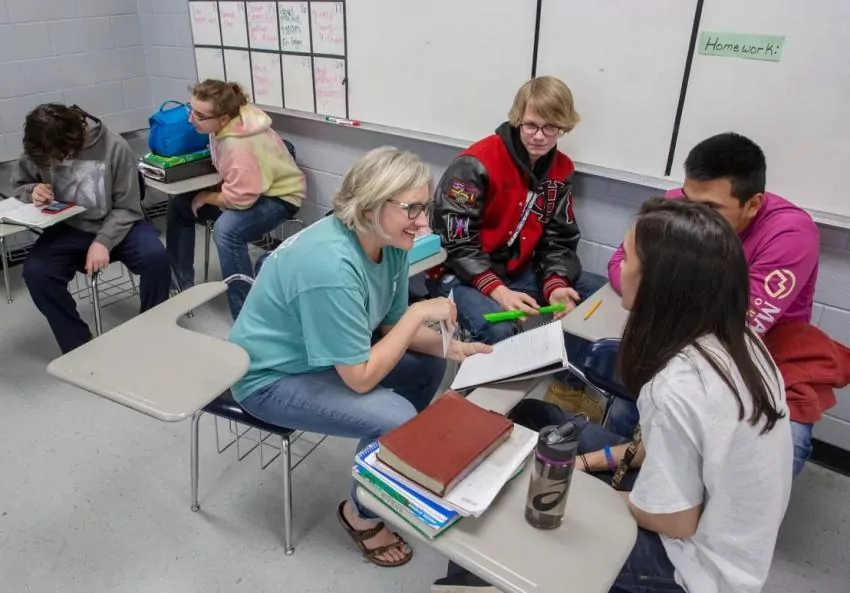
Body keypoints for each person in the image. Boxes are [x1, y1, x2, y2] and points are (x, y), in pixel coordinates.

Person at [434, 198, 793, 593]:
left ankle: (474, 579)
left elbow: (675, 520)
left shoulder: (680, 384)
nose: (619, 267)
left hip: (688, 564)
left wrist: (572, 491)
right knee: (533, 418)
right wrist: (583, 464)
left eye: (629, 259)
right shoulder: (736, 338)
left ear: (657, 283)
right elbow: (659, 448)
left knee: (515, 501)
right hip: (704, 519)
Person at [228, 147, 491, 568]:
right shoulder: (330, 267)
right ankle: (363, 512)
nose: (423, 222)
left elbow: (390, 324)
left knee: (430, 365)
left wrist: (454, 348)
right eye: (412, 209)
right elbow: (361, 377)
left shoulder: (390, 242)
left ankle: (388, 462)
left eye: (424, 207)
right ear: (371, 205)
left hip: (324, 356)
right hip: (269, 377)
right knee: (394, 416)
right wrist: (421, 314)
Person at [605, 133, 820, 476]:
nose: (692, 216)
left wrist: (652, 293)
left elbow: (740, 322)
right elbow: (620, 262)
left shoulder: (790, 233)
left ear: (753, 204)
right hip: (679, 340)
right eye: (687, 199)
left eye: (710, 208)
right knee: (631, 402)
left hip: (763, 357)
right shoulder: (677, 203)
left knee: (779, 448)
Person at [427, 76, 606, 415]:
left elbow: (559, 238)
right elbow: (456, 241)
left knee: (595, 294)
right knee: (498, 328)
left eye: (550, 128)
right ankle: (483, 412)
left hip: (517, 270)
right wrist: (497, 290)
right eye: (531, 126)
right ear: (517, 119)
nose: (539, 136)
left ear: (564, 127)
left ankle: (566, 389)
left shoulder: (561, 169)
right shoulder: (476, 163)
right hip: (461, 274)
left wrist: (556, 284)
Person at [12, 103, 171, 354]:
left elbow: (128, 207)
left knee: (156, 258)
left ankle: (155, 330)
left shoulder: (114, 147)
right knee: (37, 272)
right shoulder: (41, 144)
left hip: (119, 222)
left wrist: (103, 241)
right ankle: (78, 345)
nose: (56, 161)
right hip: (69, 228)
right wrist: (33, 190)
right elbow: (21, 184)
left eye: (60, 156)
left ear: (74, 139)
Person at [166, 79, 305, 320]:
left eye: (199, 116)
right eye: (191, 110)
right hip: (254, 189)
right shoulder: (227, 122)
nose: (191, 119)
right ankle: (181, 286)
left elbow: (241, 200)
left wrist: (208, 196)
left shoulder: (238, 143)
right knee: (180, 205)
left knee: (226, 231)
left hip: (281, 197)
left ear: (222, 119)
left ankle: (246, 315)